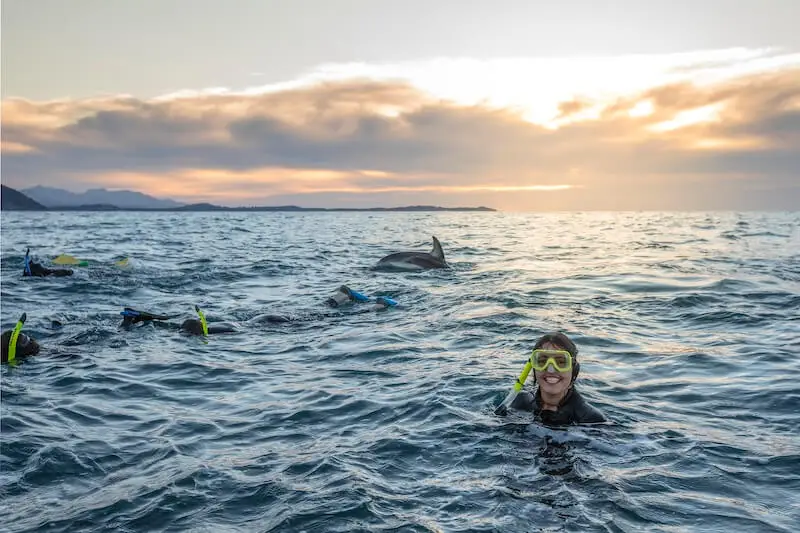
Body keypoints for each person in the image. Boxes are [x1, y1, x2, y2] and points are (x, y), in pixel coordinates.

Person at [497, 332, 606, 425]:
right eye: (542, 361)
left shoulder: (591, 419)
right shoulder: (520, 402)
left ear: (574, 370)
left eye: (561, 362)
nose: (550, 370)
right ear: (534, 368)